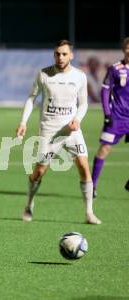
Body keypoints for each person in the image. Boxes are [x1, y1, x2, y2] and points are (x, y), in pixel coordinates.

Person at [16, 40, 101, 225]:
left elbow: (84, 103)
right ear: (54, 55)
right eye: (57, 54)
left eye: (64, 54)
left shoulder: (79, 76)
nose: (60, 57)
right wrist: (23, 122)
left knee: (84, 168)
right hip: (49, 131)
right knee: (39, 171)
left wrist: (77, 119)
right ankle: (29, 204)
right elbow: (31, 98)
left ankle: (89, 213)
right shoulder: (44, 74)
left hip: (71, 131)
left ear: (71, 55)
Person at [91, 38, 129, 198]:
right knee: (104, 149)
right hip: (117, 117)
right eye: (128, 47)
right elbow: (105, 91)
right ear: (124, 49)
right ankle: (92, 185)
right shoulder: (115, 69)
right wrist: (107, 114)